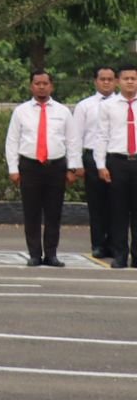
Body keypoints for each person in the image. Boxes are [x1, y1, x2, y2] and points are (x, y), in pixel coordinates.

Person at [6, 70, 81, 267]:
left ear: (51, 86)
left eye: (45, 83)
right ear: (31, 86)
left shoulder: (63, 111)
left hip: (55, 166)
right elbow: (12, 141)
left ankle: (51, 254)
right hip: (30, 166)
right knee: (31, 212)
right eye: (37, 83)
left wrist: (73, 168)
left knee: (53, 212)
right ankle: (34, 254)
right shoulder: (21, 111)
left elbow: (73, 141)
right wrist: (13, 169)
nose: (41, 86)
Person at [91, 63, 137, 268]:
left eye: (133, 78)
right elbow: (101, 136)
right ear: (118, 81)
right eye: (126, 78)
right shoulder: (108, 106)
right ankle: (120, 254)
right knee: (118, 212)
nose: (130, 82)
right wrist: (101, 165)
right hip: (117, 162)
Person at [71, 65, 117, 259]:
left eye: (110, 79)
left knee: (117, 204)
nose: (106, 82)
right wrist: (76, 164)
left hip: (115, 157)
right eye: (102, 79)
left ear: (116, 81)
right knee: (97, 204)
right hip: (91, 158)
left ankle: (115, 244)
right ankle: (98, 244)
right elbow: (75, 136)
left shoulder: (123, 104)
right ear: (95, 81)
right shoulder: (85, 106)